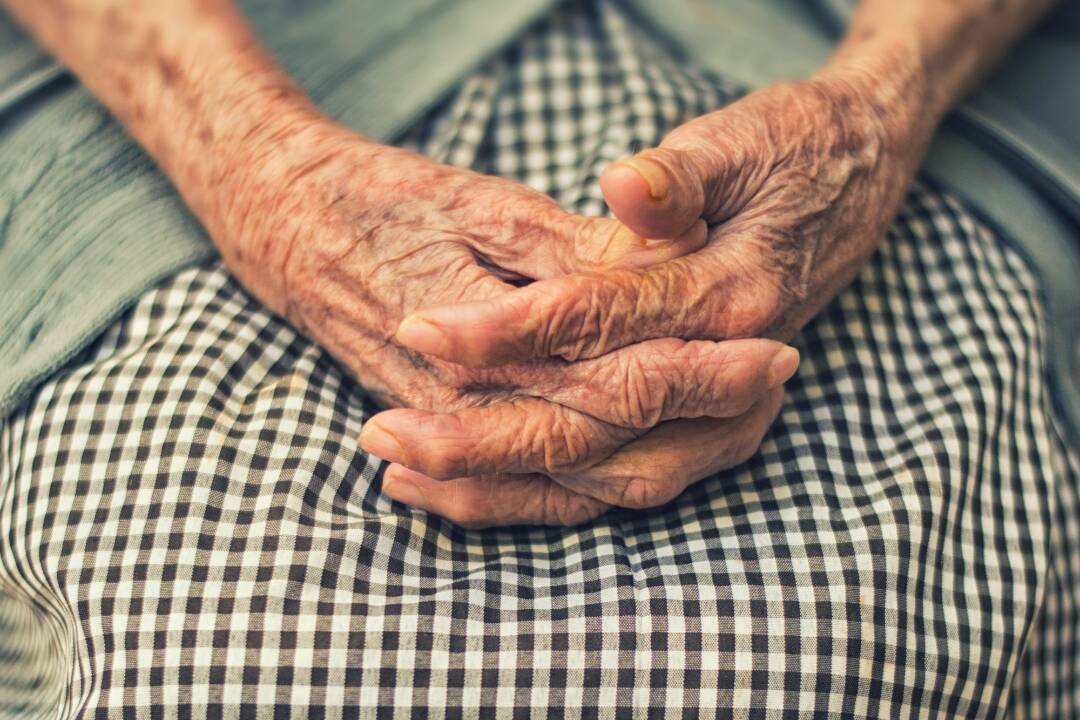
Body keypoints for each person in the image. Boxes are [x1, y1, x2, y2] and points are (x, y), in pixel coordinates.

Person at [0, 0, 1076, 716]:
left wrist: (879, 105)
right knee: (216, 654)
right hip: (204, 74)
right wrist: (260, 168)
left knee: (837, 648)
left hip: (847, 48)